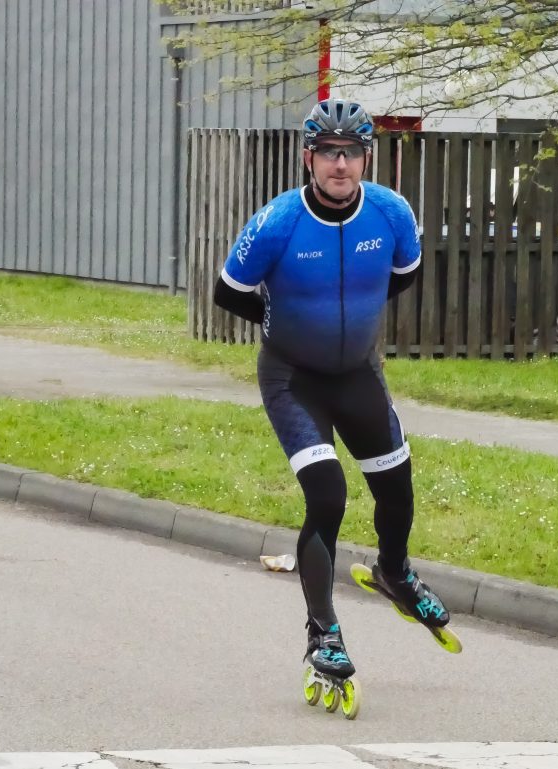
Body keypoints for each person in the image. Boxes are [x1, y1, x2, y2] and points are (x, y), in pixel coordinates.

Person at [213, 98, 450, 680]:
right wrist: (285, 323)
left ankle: (395, 573)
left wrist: (351, 321)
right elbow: (228, 291)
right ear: (308, 159)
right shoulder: (278, 222)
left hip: (357, 373)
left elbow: (404, 275)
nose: (339, 164)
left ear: (366, 158)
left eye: (350, 152)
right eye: (327, 152)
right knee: (327, 495)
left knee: (396, 484)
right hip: (293, 378)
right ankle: (323, 632)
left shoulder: (391, 213)